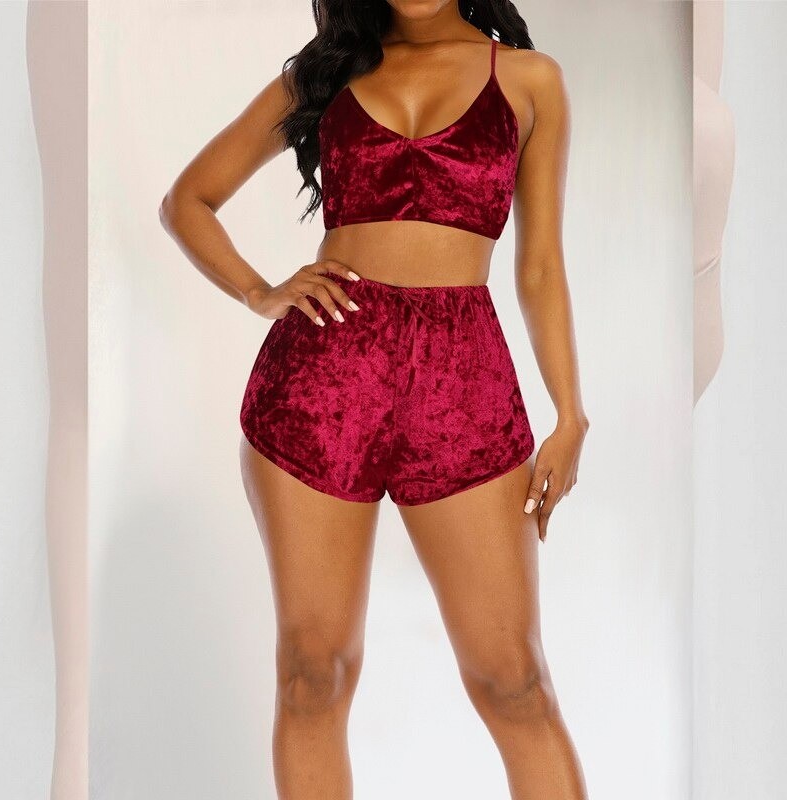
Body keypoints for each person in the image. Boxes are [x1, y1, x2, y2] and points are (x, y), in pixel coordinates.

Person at [159, 2, 589, 797]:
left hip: (464, 390)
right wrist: (259, 291)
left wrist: (570, 413)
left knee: (515, 682)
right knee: (311, 674)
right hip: (320, 383)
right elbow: (188, 200)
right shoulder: (325, 72)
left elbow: (539, 268)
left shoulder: (531, 81)